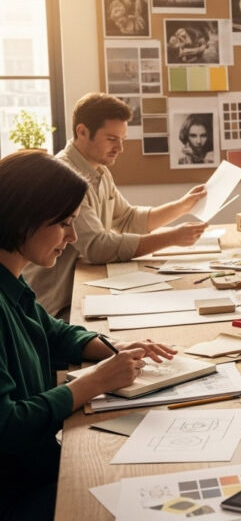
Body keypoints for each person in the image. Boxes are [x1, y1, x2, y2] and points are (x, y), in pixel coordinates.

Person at [0, 150, 177, 520]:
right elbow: (7, 426)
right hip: (15, 491)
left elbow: (52, 333)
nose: (73, 236)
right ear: (23, 217)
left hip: (35, 467)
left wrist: (112, 347)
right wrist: (92, 383)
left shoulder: (12, 281)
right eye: (64, 223)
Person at [22, 93, 207, 320]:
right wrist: (171, 238)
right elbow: (97, 247)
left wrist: (183, 206)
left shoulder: (100, 171)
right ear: (82, 132)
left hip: (83, 290)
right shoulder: (64, 178)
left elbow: (128, 219)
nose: (120, 148)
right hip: (59, 306)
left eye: (122, 139)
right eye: (112, 139)